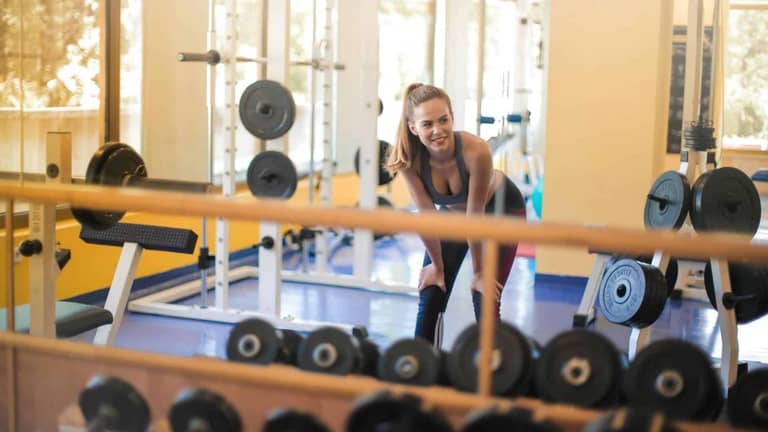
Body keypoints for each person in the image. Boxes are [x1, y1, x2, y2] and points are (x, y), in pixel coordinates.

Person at [386, 83, 526, 344]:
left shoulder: (476, 150)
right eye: (427, 124)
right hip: (454, 215)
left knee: (484, 295)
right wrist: (436, 267)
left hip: (501, 210)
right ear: (413, 127)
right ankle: (420, 368)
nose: (438, 130)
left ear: (452, 117)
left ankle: (494, 371)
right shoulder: (409, 160)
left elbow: (475, 217)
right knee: (431, 290)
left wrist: (479, 272)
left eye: (443, 120)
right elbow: (427, 217)